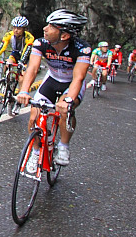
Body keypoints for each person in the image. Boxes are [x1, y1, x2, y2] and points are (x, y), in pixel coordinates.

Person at [16, 9, 90, 171]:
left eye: (51, 26)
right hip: (52, 80)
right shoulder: (41, 43)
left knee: (65, 111)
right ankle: (36, 152)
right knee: (34, 117)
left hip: (70, 84)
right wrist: (24, 91)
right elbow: (33, 68)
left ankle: (64, 146)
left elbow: (78, 78)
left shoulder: (82, 49)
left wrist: (68, 101)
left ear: (64, 35)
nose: (45, 28)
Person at [0, 16, 35, 115]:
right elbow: (2, 46)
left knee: (22, 79)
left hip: (26, 56)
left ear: (24, 29)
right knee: (8, 62)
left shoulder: (29, 37)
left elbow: (26, 51)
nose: (16, 30)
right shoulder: (9, 34)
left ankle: (18, 103)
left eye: (19, 28)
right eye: (14, 27)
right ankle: (6, 81)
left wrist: (21, 63)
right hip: (15, 54)